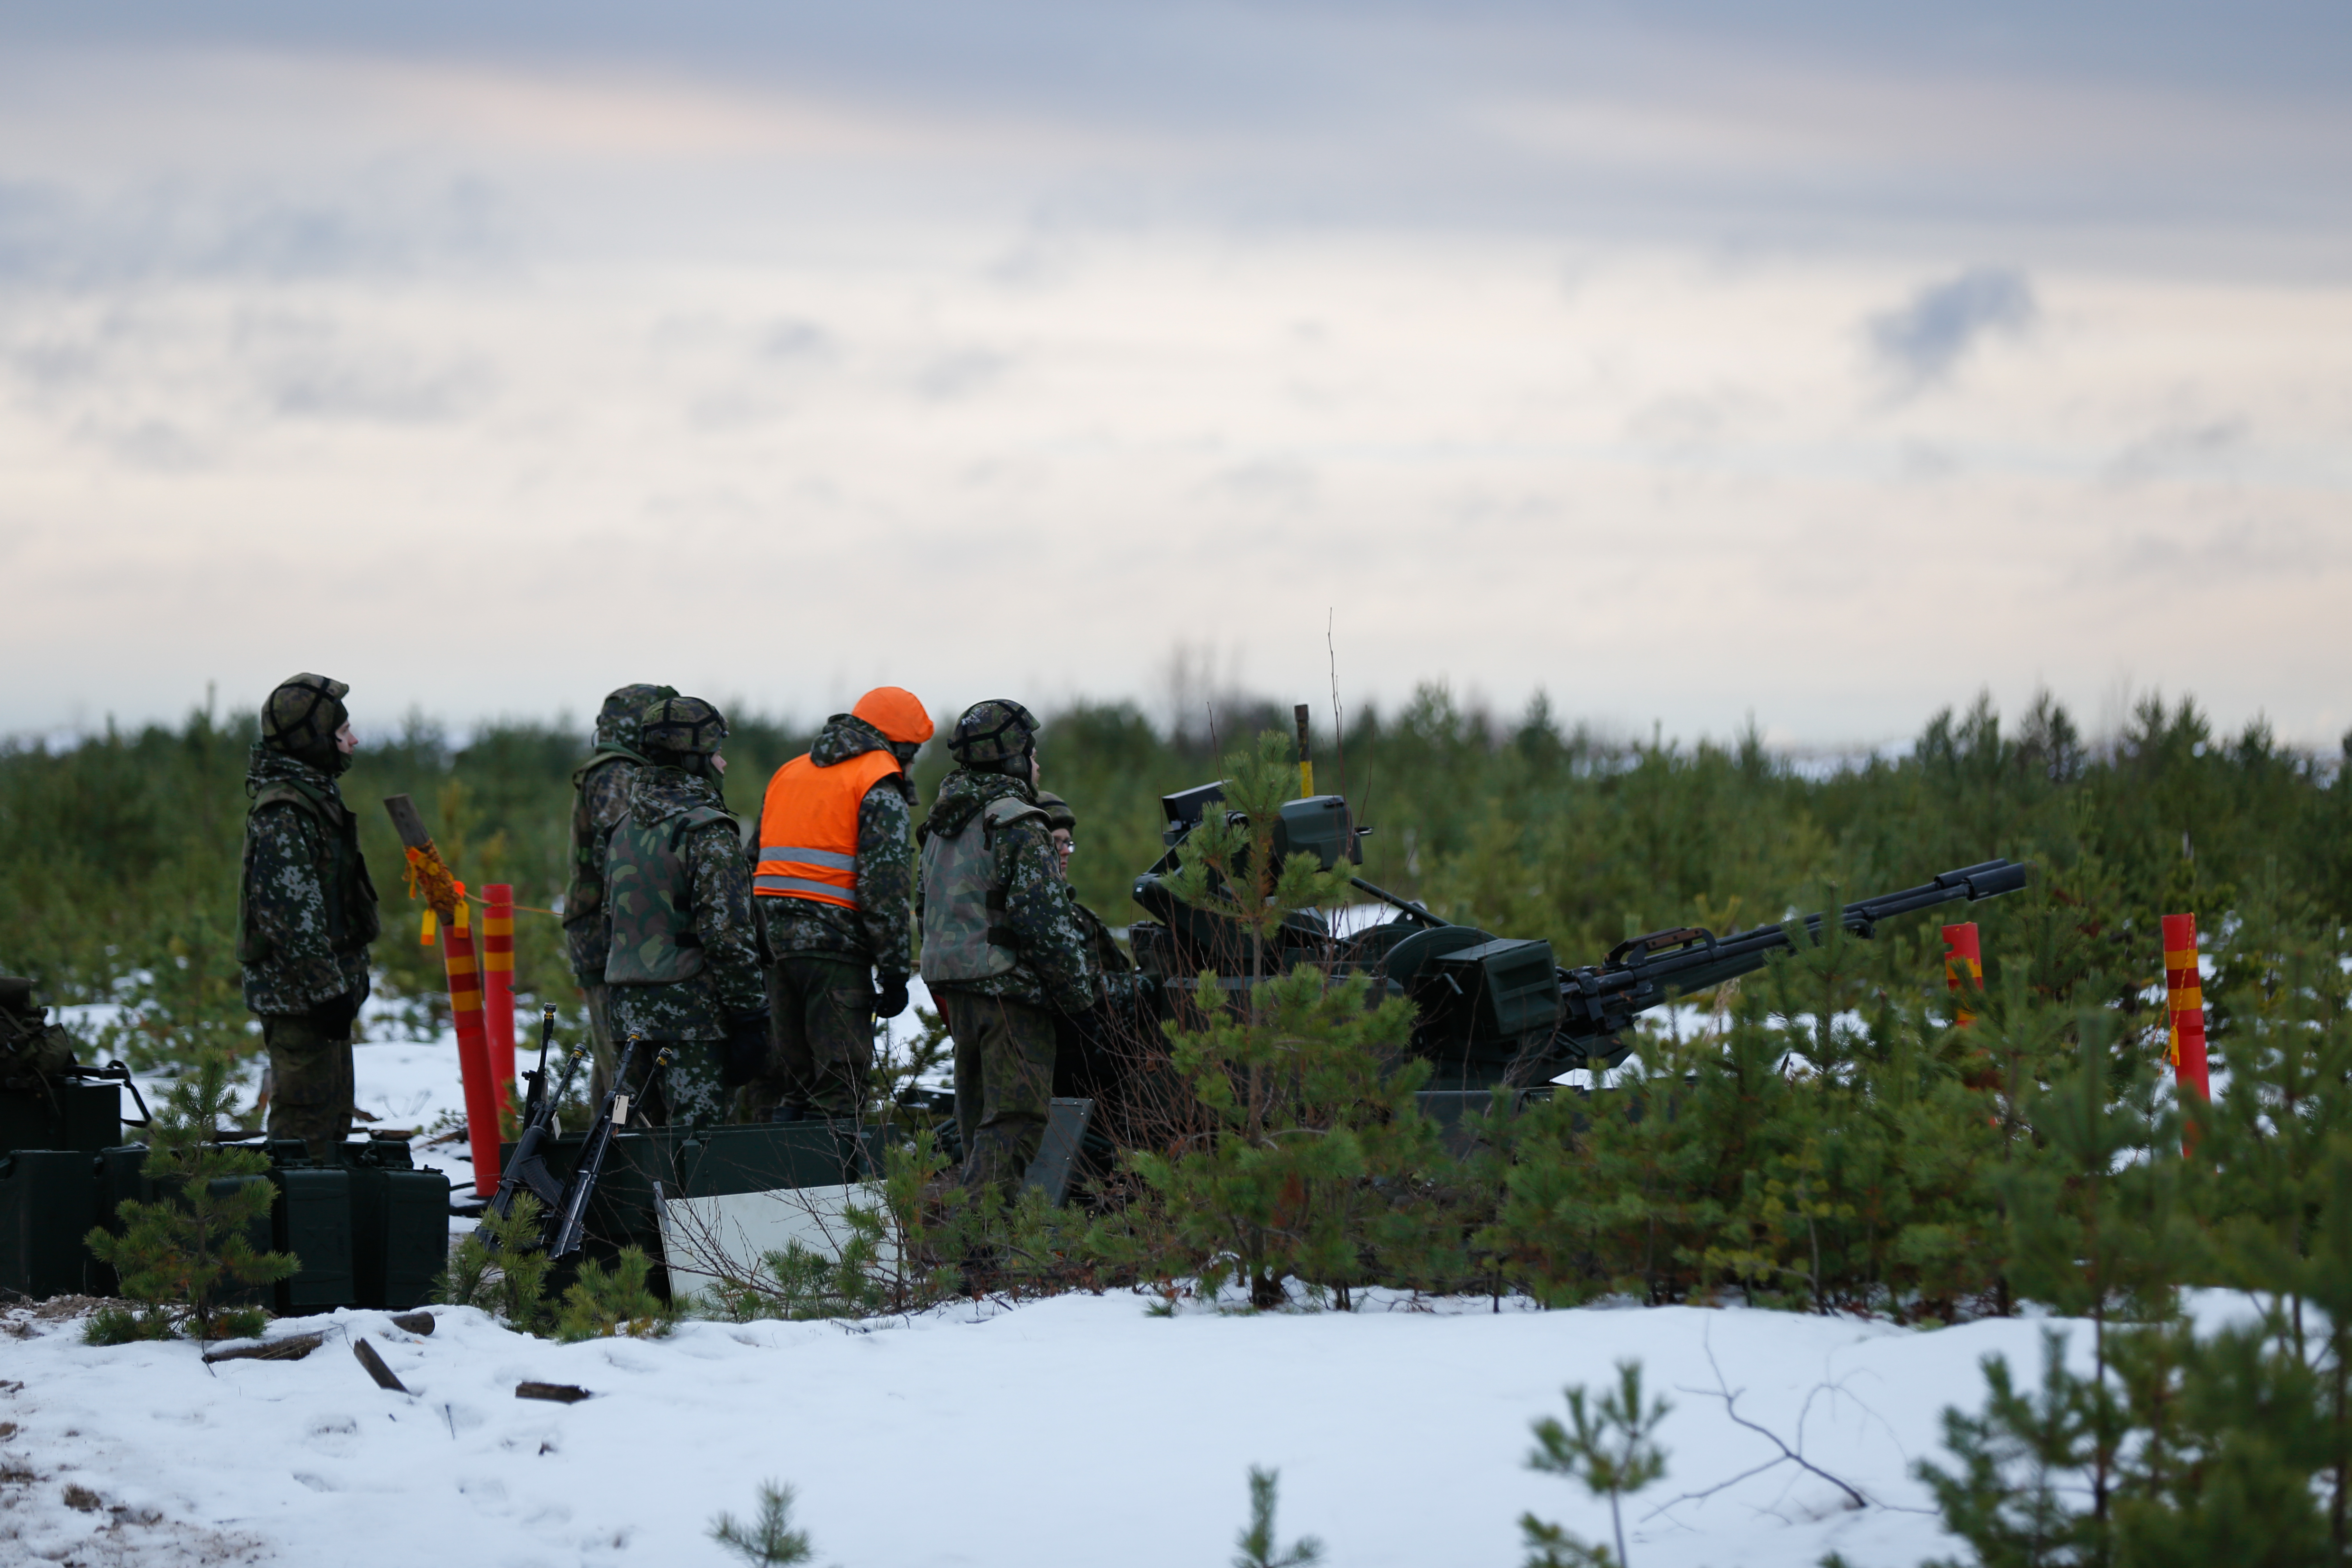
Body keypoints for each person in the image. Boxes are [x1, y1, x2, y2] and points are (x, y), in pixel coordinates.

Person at [917, 700, 1098, 1193]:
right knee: (1015, 1121)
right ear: (1013, 758)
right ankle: (978, 1251)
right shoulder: (1017, 820)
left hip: (956, 990)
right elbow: (1044, 925)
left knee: (976, 1122)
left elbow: (923, 908)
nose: (1037, 765)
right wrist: (1079, 1002)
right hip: (1008, 995)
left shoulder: (940, 826)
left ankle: (972, 1249)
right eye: (1031, 753)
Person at [744, 687, 933, 1125]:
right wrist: (893, 969)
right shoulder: (877, 781)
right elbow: (884, 886)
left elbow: (751, 861)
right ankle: (834, 1190)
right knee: (839, 1088)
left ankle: (777, 1184)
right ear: (900, 744)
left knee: (793, 1084)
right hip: (835, 955)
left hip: (773, 951)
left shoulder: (788, 773)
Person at [600, 696, 766, 1129]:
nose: (722, 764)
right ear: (695, 758)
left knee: (624, 1128)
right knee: (699, 1142)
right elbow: (728, 934)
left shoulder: (620, 831)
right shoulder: (707, 829)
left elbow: (608, 923)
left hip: (627, 1019)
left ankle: (626, 1201)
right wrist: (750, 1015)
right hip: (694, 1026)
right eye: (716, 753)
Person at [237, 673, 380, 1161]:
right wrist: (325, 989)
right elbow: (288, 915)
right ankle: (289, 1236)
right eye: (343, 732)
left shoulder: (314, 798)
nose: (353, 740)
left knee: (332, 1122)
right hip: (300, 999)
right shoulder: (284, 809)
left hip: (321, 996)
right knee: (304, 1132)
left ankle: (323, 1231)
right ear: (312, 740)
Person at [562, 682, 677, 1104]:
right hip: (607, 937)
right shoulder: (616, 773)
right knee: (620, 1069)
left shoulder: (619, 769)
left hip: (612, 935)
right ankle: (615, 1158)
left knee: (615, 1062)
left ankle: (607, 1146)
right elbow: (623, 859)